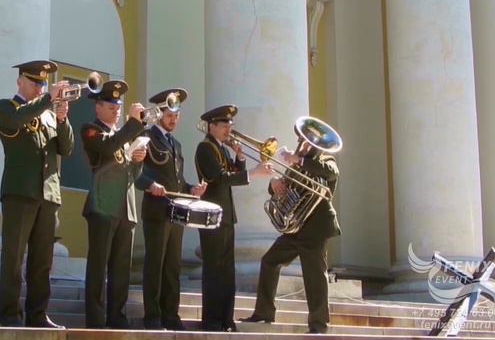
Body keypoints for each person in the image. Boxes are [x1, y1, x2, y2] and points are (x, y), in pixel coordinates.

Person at [0, 60, 73, 328]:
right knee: (13, 258)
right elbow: (17, 121)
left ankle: (38, 315)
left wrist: (62, 119)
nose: (39, 87)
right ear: (20, 82)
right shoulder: (5, 108)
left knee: (42, 262)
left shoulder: (48, 114)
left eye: (42, 83)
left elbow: (66, 147)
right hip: (20, 192)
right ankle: (10, 315)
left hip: (47, 195)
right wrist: (48, 99)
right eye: (34, 82)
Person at [239, 122, 341, 334]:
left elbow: (331, 173)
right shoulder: (297, 166)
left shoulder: (325, 160)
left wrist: (300, 160)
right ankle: (264, 312)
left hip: (315, 230)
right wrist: (274, 183)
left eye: (304, 142)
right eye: (300, 141)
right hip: (296, 228)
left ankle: (319, 325)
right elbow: (283, 187)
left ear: (313, 146)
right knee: (269, 261)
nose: (300, 144)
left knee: (314, 275)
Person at [194, 105, 273, 332]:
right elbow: (219, 178)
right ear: (212, 126)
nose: (230, 128)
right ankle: (212, 321)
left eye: (231, 124)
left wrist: (240, 158)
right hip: (211, 215)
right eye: (225, 124)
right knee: (214, 271)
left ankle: (226, 320)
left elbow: (231, 173)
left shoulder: (222, 149)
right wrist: (253, 174)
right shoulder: (205, 148)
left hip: (226, 216)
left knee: (227, 272)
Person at [134, 89, 207, 331]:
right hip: (156, 211)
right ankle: (153, 317)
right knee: (155, 265)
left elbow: (176, 180)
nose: (173, 119)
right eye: (168, 114)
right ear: (158, 113)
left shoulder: (175, 143)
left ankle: (170, 315)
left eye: (176, 114)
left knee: (172, 266)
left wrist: (192, 189)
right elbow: (135, 173)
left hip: (175, 212)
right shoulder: (146, 136)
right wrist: (149, 185)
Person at [81, 80, 147, 329]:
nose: (116, 110)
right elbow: (108, 148)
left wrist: (138, 161)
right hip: (102, 207)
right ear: (98, 107)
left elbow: (132, 175)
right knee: (98, 266)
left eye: (118, 106)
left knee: (121, 269)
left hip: (125, 209)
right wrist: (133, 124)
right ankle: (96, 320)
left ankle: (117, 317)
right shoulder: (91, 129)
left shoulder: (125, 136)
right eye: (110, 106)